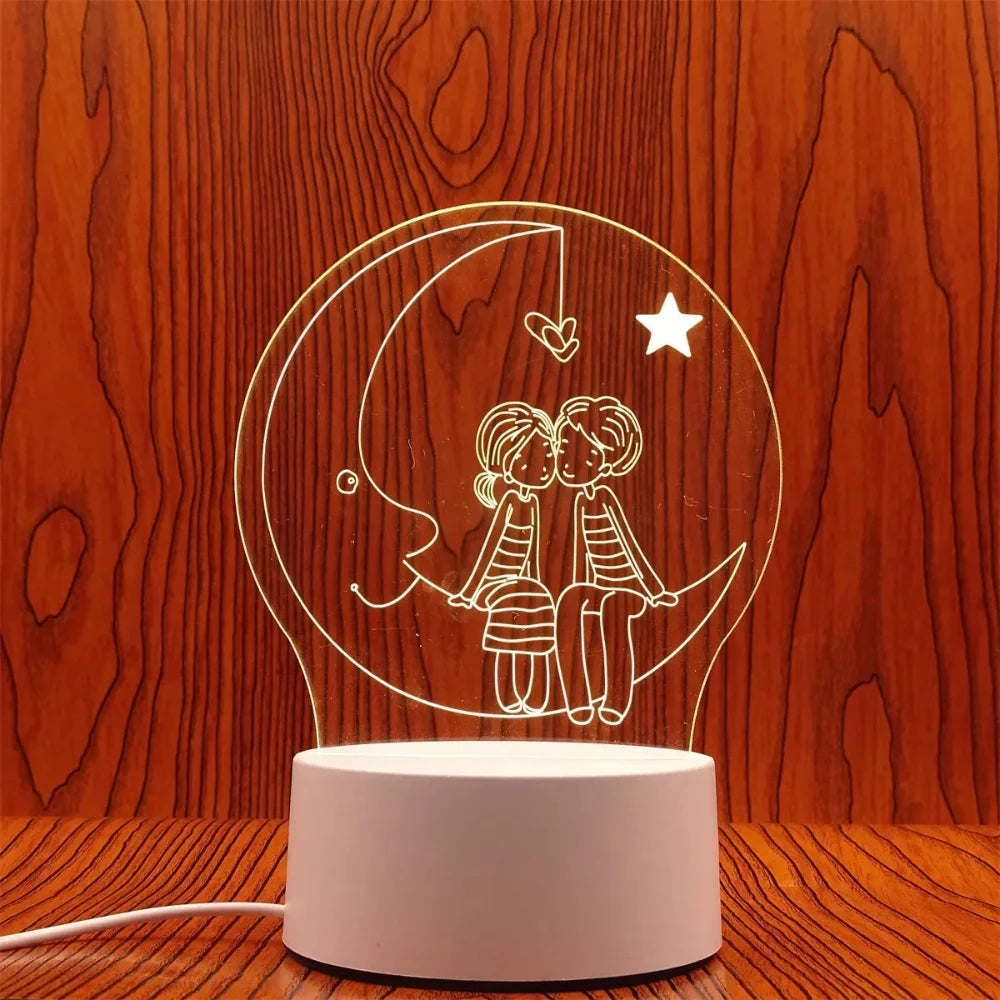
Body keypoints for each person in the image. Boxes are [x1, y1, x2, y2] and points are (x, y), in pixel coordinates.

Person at [552, 396, 677, 725]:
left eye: (584, 453)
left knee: (613, 608)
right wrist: (576, 587)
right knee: (568, 604)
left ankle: (615, 699)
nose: (568, 460)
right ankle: (577, 699)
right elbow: (581, 551)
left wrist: (654, 591)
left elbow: (629, 546)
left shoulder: (605, 497)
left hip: (627, 588)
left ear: (605, 463)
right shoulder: (581, 500)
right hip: (595, 584)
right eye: (564, 448)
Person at [449, 401, 557, 715]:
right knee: (516, 611)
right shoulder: (510, 499)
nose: (541, 466)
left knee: (538, 604)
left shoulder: (532, 502)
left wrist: (536, 582)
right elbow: (491, 549)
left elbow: (531, 553)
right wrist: (469, 592)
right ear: (506, 463)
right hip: (494, 583)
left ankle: (534, 691)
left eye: (547, 456)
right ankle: (509, 691)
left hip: (522, 583)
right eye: (528, 459)